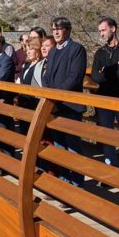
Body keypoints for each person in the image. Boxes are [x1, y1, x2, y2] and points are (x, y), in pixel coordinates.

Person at [42, 16, 87, 186]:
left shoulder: (77, 49)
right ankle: (64, 182)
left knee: (73, 147)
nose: (56, 32)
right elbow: (46, 76)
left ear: (67, 30)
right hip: (54, 106)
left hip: (70, 106)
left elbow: (74, 77)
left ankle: (76, 184)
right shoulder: (53, 51)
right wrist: (49, 93)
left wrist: (56, 94)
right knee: (59, 146)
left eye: (59, 29)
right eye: (53, 30)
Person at [91, 16, 119, 171]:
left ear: (113, 28)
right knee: (106, 135)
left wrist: (105, 70)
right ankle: (110, 169)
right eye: (100, 31)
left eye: (103, 30)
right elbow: (95, 77)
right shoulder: (100, 52)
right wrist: (114, 67)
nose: (101, 34)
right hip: (104, 99)